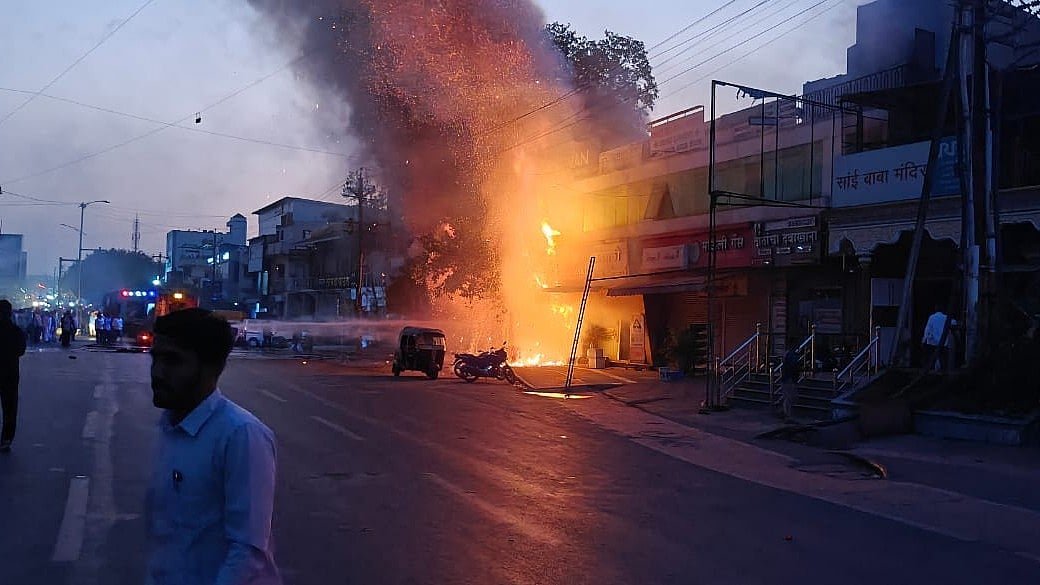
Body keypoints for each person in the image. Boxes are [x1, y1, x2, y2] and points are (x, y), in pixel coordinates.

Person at [146, 308, 282, 584]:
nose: (158, 373)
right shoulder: (171, 428)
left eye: (172, 361)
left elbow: (247, 552)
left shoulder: (241, 435)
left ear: (209, 368)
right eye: (156, 359)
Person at [0, 300, 27, 452]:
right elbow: (21, 350)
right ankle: (6, 439)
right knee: (9, 409)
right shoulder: (16, 331)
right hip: (10, 373)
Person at [922, 305, 954, 371]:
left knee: (932, 358)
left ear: (935, 309)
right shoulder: (946, 318)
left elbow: (927, 330)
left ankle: (932, 370)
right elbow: (953, 323)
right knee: (943, 360)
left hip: (932, 343)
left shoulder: (932, 317)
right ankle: (942, 371)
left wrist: (924, 340)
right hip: (944, 343)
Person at [779, 338, 801, 422]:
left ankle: (785, 413)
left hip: (787, 378)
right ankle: (787, 415)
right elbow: (792, 367)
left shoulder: (788, 354)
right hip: (789, 378)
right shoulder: (791, 355)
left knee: (788, 397)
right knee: (789, 397)